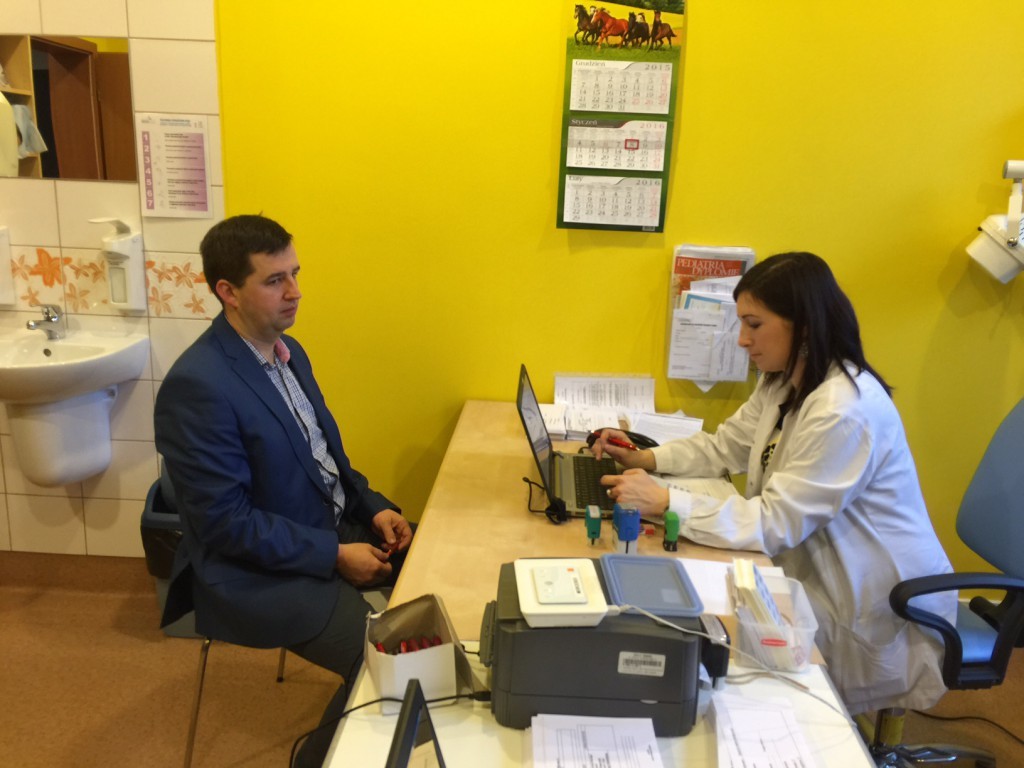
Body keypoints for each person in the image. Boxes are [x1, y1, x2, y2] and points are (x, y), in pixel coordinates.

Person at [593, 251, 955, 715]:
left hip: (877, 607)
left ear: (802, 327)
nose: (742, 339)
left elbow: (775, 523)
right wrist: (645, 457)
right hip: (812, 573)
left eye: (754, 324)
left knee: (723, 655)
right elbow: (724, 446)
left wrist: (666, 501)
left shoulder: (844, 411)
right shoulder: (784, 381)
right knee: (700, 612)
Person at [155, 214, 413, 765]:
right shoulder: (198, 386)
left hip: (323, 526)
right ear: (228, 292)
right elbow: (225, 525)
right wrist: (334, 555)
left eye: (295, 274)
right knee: (387, 660)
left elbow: (327, 462)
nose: (294, 292)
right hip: (253, 571)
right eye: (275, 280)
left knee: (441, 570)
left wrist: (374, 508)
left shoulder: (287, 352)